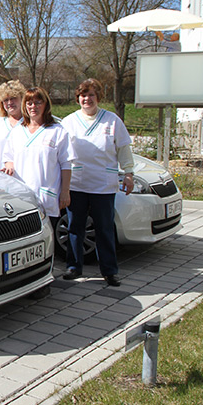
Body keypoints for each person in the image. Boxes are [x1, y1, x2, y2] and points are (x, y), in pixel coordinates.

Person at [60, 79, 134, 287]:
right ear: (78, 99)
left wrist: (128, 173)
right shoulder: (69, 121)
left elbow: (124, 149)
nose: (87, 99)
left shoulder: (112, 121)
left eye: (91, 95)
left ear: (98, 97)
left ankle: (109, 271)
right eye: (83, 95)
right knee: (75, 227)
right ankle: (74, 267)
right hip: (77, 183)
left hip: (103, 183)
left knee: (104, 228)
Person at [3, 87, 75, 228]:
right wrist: (9, 164)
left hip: (46, 195)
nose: (33, 107)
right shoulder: (18, 131)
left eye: (38, 102)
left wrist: (65, 192)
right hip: (21, 197)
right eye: (29, 103)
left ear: (46, 105)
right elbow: (8, 157)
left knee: (47, 240)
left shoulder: (57, 131)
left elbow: (66, 164)